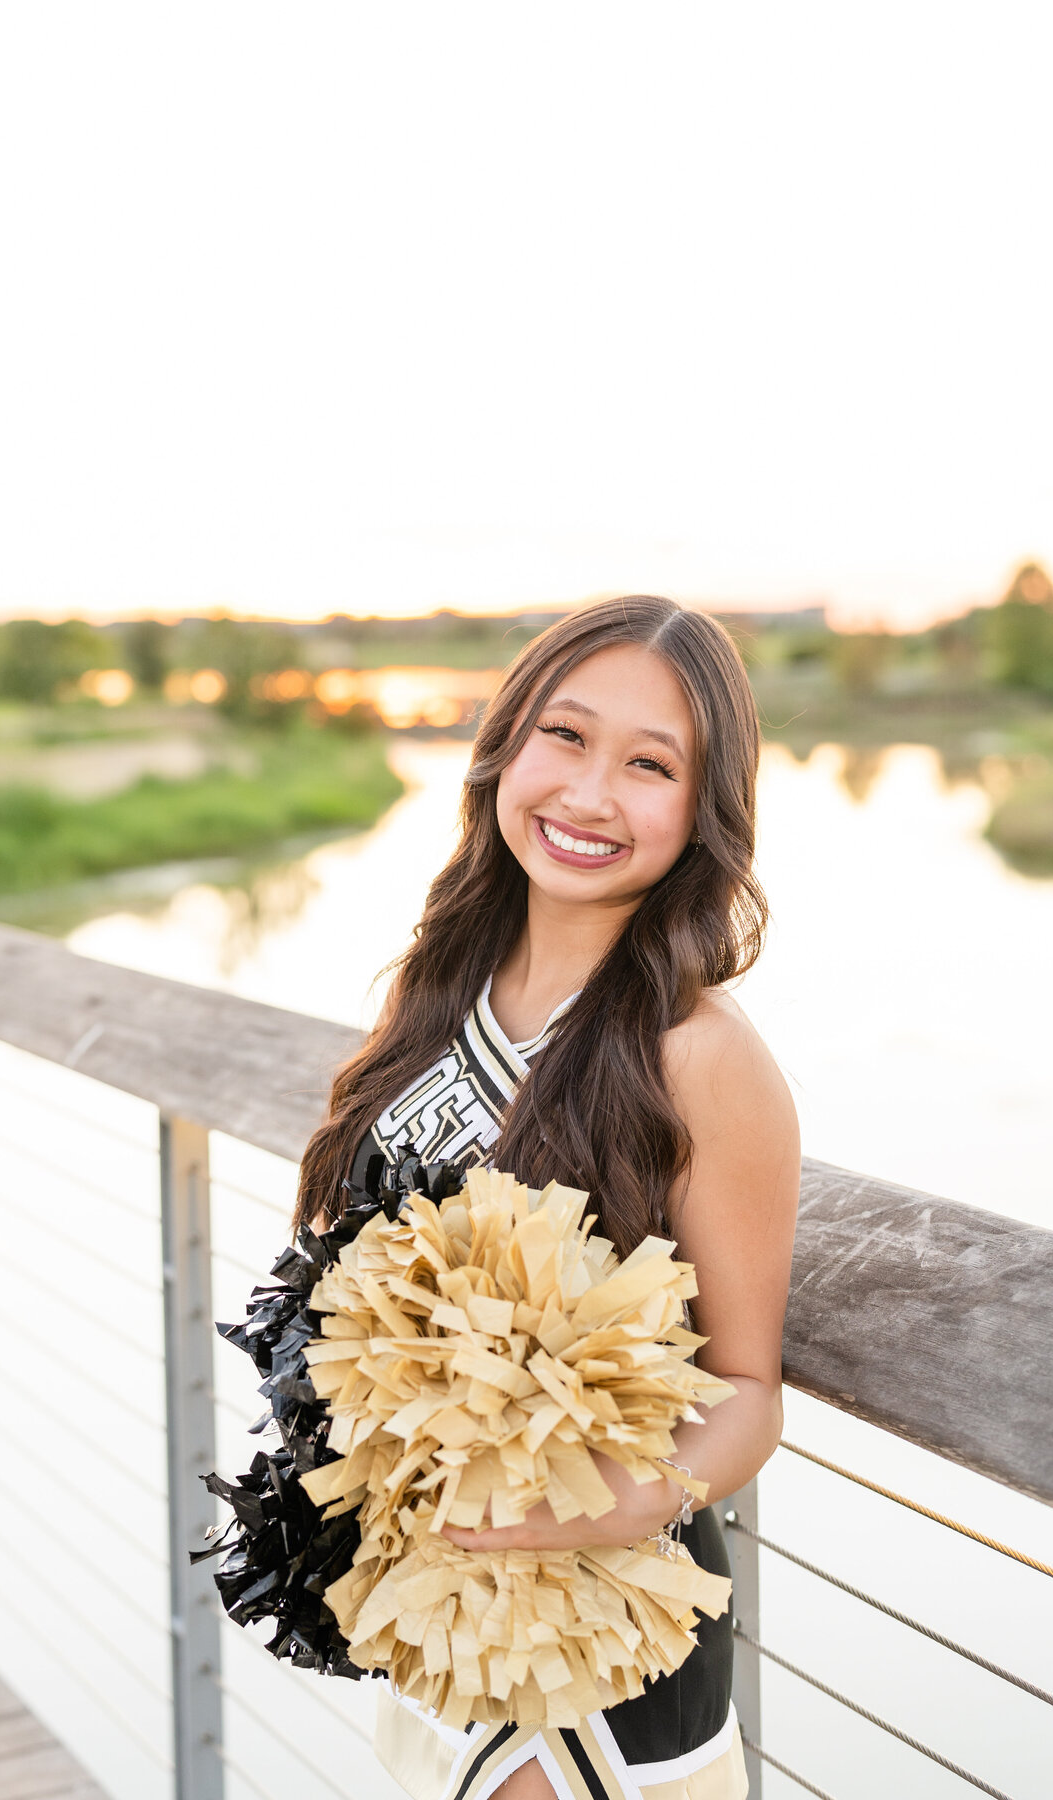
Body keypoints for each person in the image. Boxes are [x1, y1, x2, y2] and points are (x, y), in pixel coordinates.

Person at [294, 595, 801, 1800]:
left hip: (603, 1672)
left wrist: (602, 1511)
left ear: (703, 809)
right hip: (438, 1629)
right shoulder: (436, 986)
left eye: (649, 764)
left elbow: (749, 1391)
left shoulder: (702, 1054)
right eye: (565, 737)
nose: (588, 794)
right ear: (506, 745)